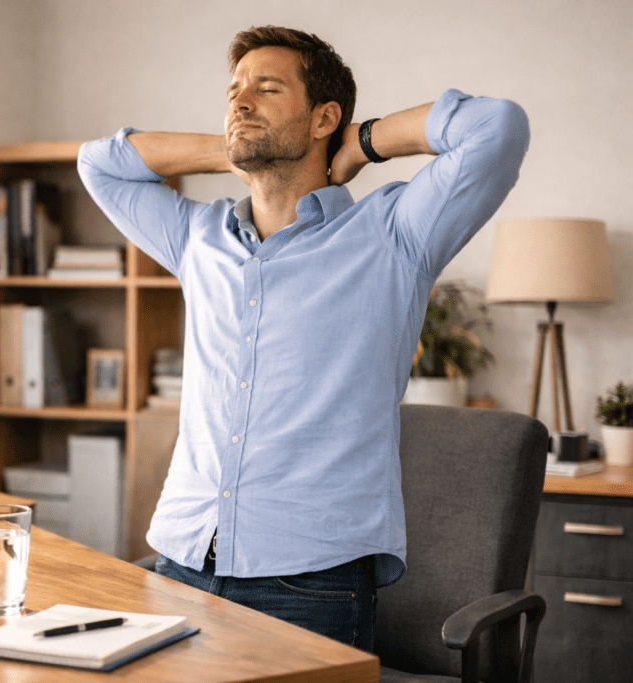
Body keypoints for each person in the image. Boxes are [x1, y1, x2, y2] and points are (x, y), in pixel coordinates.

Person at [77, 25, 529, 651]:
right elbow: (98, 163)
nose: (240, 101)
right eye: (234, 90)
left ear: (324, 117)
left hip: (309, 583)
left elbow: (496, 127)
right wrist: (232, 149)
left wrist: (361, 144)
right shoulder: (197, 239)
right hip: (182, 559)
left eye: (267, 89)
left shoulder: (393, 234)